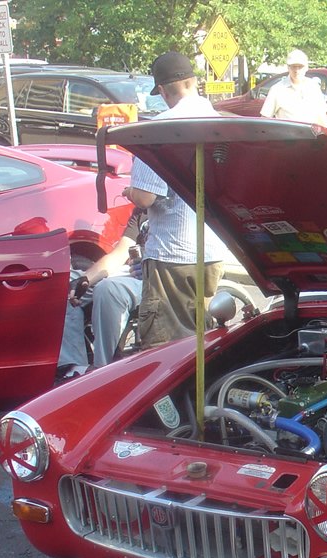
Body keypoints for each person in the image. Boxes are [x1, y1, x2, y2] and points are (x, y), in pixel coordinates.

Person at [124, 51, 227, 348]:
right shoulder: (218, 121)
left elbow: (145, 196)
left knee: (165, 350)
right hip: (212, 251)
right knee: (202, 344)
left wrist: (129, 192)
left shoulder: (158, 128)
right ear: (193, 82)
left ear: (165, 90)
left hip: (172, 256)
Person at [55, 209, 146, 378]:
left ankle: (102, 373)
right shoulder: (143, 212)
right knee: (63, 285)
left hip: (158, 276)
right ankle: (75, 370)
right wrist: (84, 280)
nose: (126, 191)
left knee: (108, 289)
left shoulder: (180, 206)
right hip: (134, 271)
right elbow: (120, 253)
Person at [259, 49, 327, 127]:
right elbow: (265, 121)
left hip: (311, 138)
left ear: (306, 68)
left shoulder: (314, 87)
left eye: (300, 67)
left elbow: (322, 119)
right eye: (293, 67)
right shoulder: (277, 89)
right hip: (287, 137)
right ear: (288, 68)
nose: (297, 70)